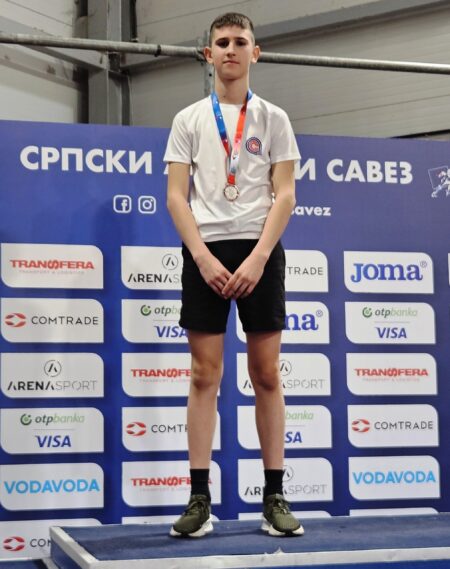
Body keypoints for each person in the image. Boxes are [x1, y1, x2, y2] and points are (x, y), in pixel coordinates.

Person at [164, 12, 303, 538]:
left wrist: (260, 257)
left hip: (259, 251)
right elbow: (176, 197)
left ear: (254, 52)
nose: (230, 49)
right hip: (205, 252)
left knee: (266, 375)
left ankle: (274, 497)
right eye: (220, 42)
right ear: (208, 54)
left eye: (239, 41)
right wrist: (201, 257)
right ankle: (199, 499)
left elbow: (285, 195)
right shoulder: (188, 119)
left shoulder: (274, 118)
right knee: (205, 375)